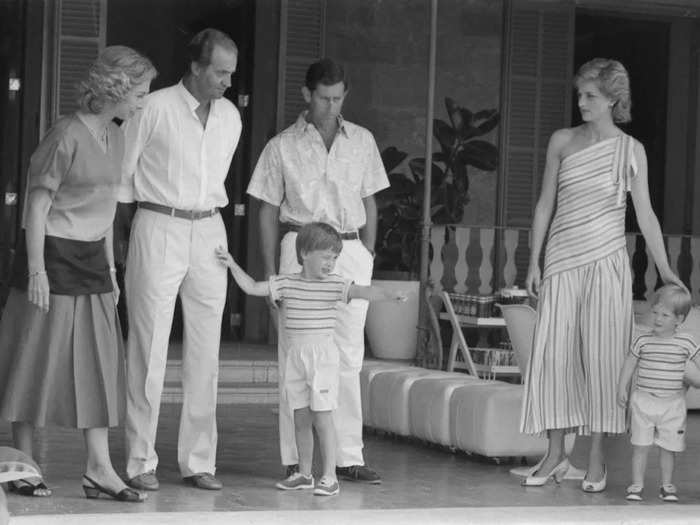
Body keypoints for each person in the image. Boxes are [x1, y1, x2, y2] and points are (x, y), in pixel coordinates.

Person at [519, 58, 684, 490]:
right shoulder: (561, 141)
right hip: (560, 261)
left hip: (607, 263)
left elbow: (645, 214)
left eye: (591, 96)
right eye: (579, 94)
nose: (582, 102)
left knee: (603, 360)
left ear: (614, 99)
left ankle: (595, 459)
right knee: (554, 357)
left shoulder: (631, 150)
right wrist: (533, 261)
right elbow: (543, 205)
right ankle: (555, 454)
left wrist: (666, 269)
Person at [0, 46, 156, 501]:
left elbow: (108, 209)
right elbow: (37, 203)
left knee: (101, 366)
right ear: (116, 88)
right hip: (50, 257)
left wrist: (111, 269)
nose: (143, 102)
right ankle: (21, 463)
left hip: (93, 262)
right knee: (33, 361)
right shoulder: (64, 135)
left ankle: (99, 468)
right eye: (140, 93)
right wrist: (35, 272)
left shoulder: (118, 135)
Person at [246, 58, 389, 483]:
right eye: (324, 97)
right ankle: (296, 460)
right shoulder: (281, 145)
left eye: (338, 97)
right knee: (295, 353)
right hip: (299, 246)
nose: (332, 105)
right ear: (307, 95)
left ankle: (348, 456)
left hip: (348, 248)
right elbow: (267, 211)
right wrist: (272, 272)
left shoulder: (362, 140)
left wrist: (367, 252)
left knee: (348, 354)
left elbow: (371, 200)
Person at [119, 28, 241, 492]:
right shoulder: (153, 107)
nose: (228, 81)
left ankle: (198, 461)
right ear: (195, 66)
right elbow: (122, 179)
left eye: (231, 72)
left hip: (210, 228)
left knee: (207, 351)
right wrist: (121, 244)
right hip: (158, 222)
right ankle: (139, 461)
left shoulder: (230, 116)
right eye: (220, 72)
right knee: (148, 347)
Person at [214, 223, 406, 495]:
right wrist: (232, 264)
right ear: (304, 253)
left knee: (323, 417)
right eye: (326, 257)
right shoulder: (285, 283)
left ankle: (329, 476)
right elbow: (252, 287)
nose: (331, 264)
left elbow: (365, 291)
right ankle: (304, 474)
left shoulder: (335, 284)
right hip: (296, 358)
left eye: (334, 258)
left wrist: (390, 295)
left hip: (322, 360)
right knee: (301, 418)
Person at [617, 285, 699, 502]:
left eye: (665, 315)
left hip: (672, 405)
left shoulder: (687, 342)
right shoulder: (642, 340)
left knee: (668, 448)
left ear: (679, 320)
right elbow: (630, 363)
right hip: (643, 401)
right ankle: (636, 484)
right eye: (655, 312)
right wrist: (622, 386)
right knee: (640, 446)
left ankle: (667, 485)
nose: (658, 318)